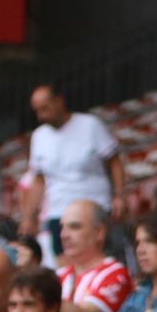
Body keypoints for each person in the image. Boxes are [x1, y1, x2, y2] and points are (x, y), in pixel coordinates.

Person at [23, 85, 125, 262]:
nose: (42, 116)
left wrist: (119, 195)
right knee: (64, 265)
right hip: (58, 212)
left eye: (45, 108)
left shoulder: (90, 125)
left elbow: (114, 162)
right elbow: (38, 180)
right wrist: (28, 217)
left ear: (59, 101)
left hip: (95, 206)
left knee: (100, 260)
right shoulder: (39, 136)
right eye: (37, 111)